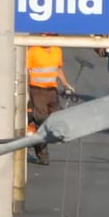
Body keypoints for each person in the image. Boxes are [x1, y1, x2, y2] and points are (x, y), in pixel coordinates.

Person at [26, 34, 63, 166]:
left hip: (52, 91)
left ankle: (34, 133)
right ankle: (42, 153)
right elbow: (27, 70)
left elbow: (58, 69)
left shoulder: (57, 50)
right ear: (42, 35)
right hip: (37, 90)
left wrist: (66, 84)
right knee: (42, 121)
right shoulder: (33, 51)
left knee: (56, 118)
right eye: (48, 35)